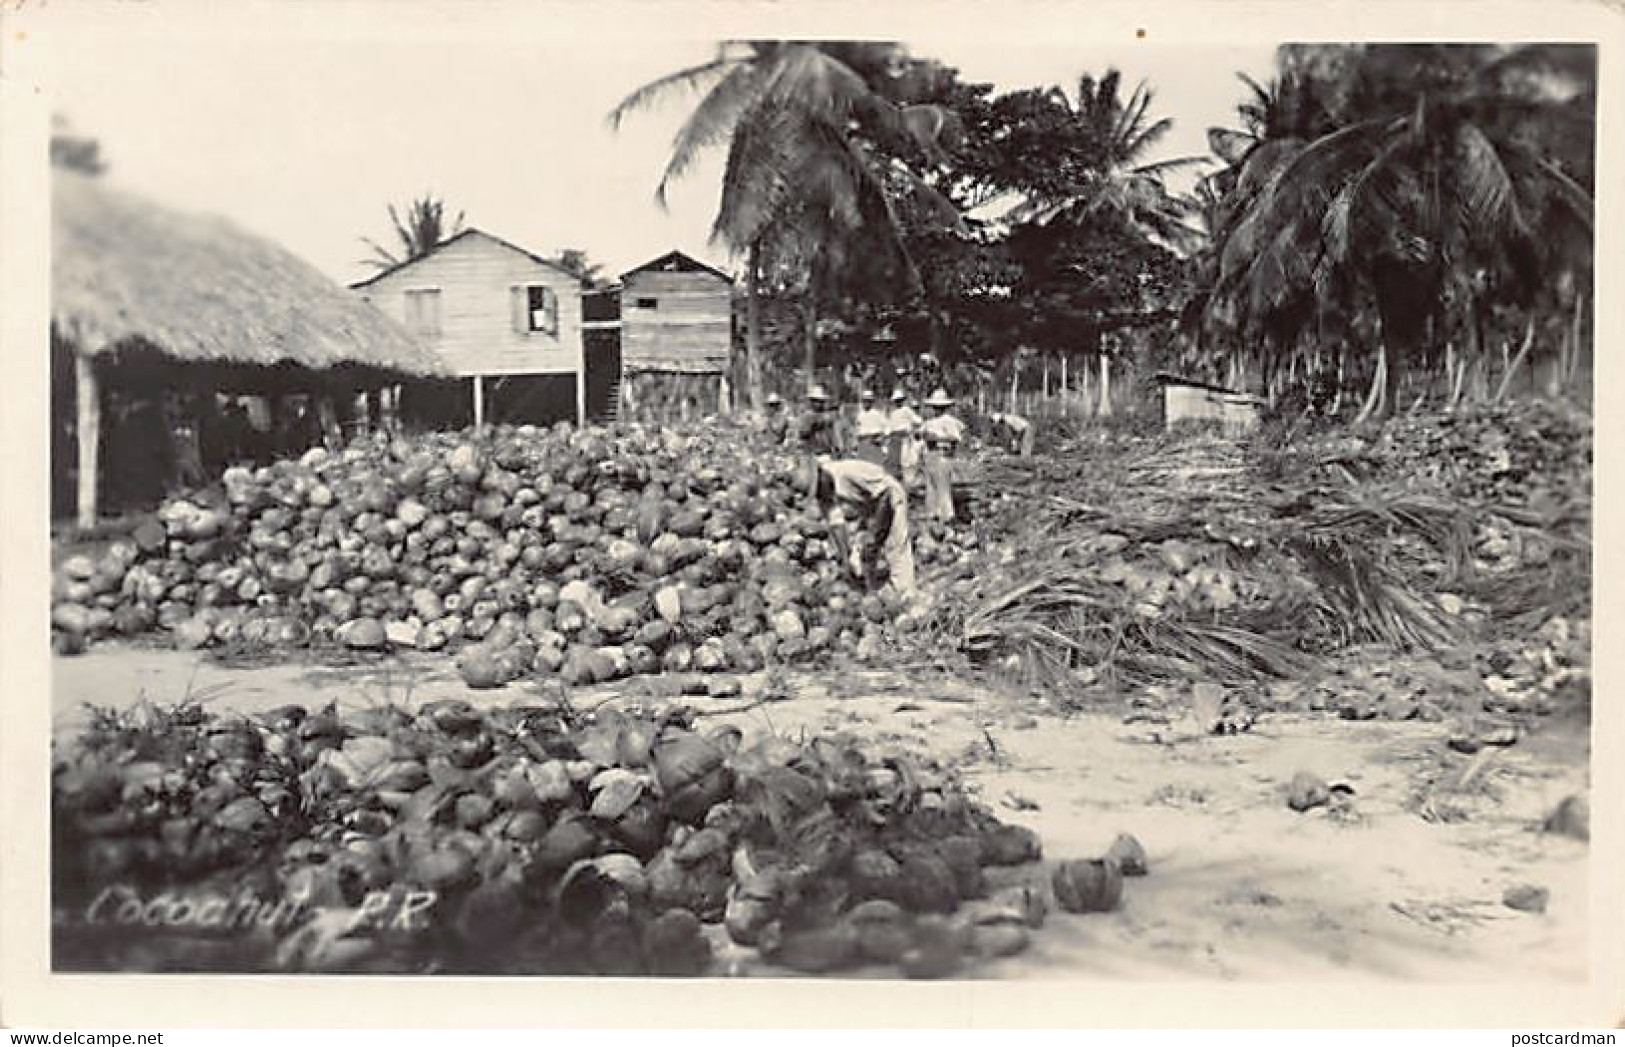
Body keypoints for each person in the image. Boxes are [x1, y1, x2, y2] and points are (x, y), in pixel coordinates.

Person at [805, 455, 916, 595]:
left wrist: (875, 535)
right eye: (817, 493)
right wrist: (846, 560)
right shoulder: (824, 494)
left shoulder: (848, 472)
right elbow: (836, 524)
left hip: (890, 496)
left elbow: (886, 495)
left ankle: (906, 593)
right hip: (867, 504)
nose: (821, 494)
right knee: (862, 552)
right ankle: (872, 590)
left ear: (822, 473)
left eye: (819, 487)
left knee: (895, 546)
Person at [919, 388, 965, 521]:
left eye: (939, 407)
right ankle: (933, 515)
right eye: (935, 407)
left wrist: (938, 438)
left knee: (943, 487)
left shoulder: (950, 421)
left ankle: (948, 516)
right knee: (931, 487)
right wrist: (923, 436)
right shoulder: (929, 422)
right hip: (930, 455)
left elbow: (956, 438)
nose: (936, 409)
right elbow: (919, 434)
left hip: (943, 454)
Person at [797, 384, 850, 457]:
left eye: (821, 401)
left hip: (826, 450)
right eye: (816, 401)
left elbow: (832, 432)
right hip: (811, 452)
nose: (819, 403)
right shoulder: (807, 416)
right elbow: (802, 434)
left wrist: (836, 446)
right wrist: (814, 426)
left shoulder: (826, 415)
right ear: (812, 401)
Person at [887, 388, 923, 486]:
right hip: (897, 438)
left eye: (900, 400)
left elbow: (918, 421)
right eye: (897, 401)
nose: (898, 402)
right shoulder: (894, 413)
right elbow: (890, 428)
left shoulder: (906, 410)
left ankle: (908, 482)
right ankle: (901, 482)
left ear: (902, 401)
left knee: (906, 461)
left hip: (904, 438)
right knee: (899, 462)